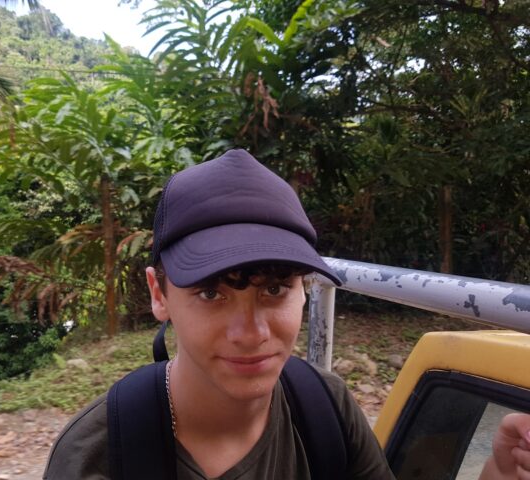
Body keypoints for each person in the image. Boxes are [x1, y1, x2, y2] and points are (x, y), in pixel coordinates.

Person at [44, 149, 530, 480]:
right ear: (159, 293)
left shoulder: (325, 409)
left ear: (305, 290)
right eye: (211, 293)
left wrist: (498, 474)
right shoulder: (102, 454)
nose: (251, 333)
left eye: (275, 289)